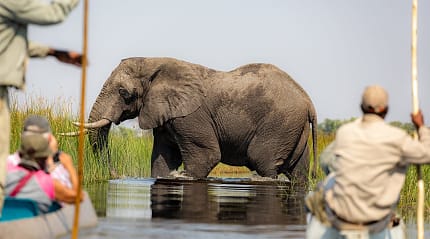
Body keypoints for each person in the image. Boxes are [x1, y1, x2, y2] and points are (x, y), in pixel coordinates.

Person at [305, 85, 430, 238]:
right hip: (376, 222)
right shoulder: (397, 137)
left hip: (342, 219)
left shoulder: (345, 132)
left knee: (322, 191)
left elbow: (326, 160)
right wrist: (421, 127)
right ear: (386, 110)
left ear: (361, 107)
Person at [0, 0, 82, 215]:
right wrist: (69, 166)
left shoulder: (12, 166)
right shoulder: (48, 182)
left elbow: (14, 42)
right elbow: (54, 13)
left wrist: (52, 52)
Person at [5, 133, 81, 214]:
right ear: (46, 155)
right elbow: (77, 197)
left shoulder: (6, 169)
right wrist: (70, 167)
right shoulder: (47, 182)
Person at [8, 115, 79, 190]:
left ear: (21, 136)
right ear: (49, 139)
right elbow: (76, 197)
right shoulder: (52, 178)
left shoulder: (5, 164)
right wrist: (69, 166)